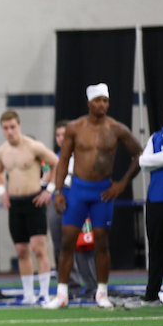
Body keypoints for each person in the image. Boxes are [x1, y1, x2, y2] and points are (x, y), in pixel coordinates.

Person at [51, 83, 143, 309]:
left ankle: (101, 292)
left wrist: (122, 184)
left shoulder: (116, 128)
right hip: (78, 190)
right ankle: (62, 293)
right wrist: (58, 190)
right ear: (89, 102)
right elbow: (63, 161)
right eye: (98, 100)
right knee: (67, 242)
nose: (103, 104)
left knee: (101, 243)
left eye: (106, 100)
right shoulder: (75, 127)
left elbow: (140, 154)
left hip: (102, 192)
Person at [0, 110, 59, 305]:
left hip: (34, 201)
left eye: (13, 127)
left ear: (19, 126)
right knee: (21, 250)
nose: (10, 131)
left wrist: (50, 190)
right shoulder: (2, 151)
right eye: (5, 128)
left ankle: (45, 294)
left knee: (39, 249)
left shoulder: (34, 147)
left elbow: (57, 164)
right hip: (15, 203)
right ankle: (29, 294)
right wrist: (1, 192)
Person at [47, 120, 98, 297]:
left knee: (83, 246)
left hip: (78, 199)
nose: (61, 138)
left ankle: (92, 286)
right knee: (60, 245)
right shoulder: (54, 157)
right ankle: (71, 286)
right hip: (58, 201)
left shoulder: (83, 154)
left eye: (64, 134)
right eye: (58, 135)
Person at [132, 107, 163, 307]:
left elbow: (148, 160)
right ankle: (152, 294)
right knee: (155, 249)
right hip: (156, 199)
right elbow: (142, 162)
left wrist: (153, 160)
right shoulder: (156, 136)